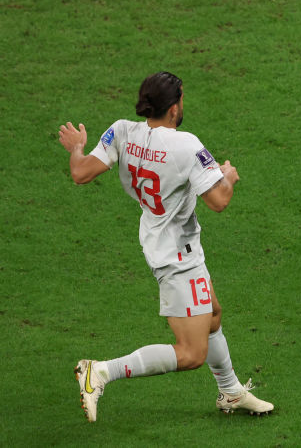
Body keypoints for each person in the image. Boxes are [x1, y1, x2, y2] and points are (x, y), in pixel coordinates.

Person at [58, 72, 273, 422]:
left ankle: (231, 391)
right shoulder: (185, 145)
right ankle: (100, 372)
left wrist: (76, 148)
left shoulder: (122, 131)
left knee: (212, 314)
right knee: (191, 353)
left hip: (160, 239)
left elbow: (80, 173)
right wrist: (228, 177)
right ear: (173, 108)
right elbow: (219, 200)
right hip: (177, 257)